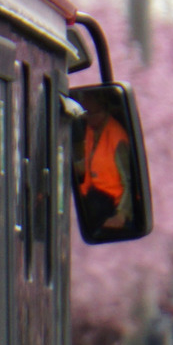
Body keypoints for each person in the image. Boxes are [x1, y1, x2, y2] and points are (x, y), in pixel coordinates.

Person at [75, 90, 135, 239]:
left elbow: (129, 182)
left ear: (104, 109)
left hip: (113, 207)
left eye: (93, 114)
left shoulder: (117, 138)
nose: (89, 120)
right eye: (85, 115)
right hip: (93, 199)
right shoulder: (91, 129)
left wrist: (121, 215)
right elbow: (92, 162)